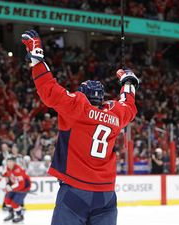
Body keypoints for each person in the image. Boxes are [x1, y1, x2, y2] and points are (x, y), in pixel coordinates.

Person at [21, 29, 138, 225]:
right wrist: (128, 80)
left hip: (76, 191)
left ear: (82, 94)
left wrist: (37, 57)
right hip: (106, 195)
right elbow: (129, 104)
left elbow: (48, 89)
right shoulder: (115, 114)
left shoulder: (77, 106)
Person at [2, 156, 31, 223]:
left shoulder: (18, 170)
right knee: (7, 200)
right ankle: (11, 214)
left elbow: (21, 185)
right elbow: (7, 176)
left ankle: (20, 215)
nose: (9, 163)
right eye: (8, 161)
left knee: (14, 203)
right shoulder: (8, 168)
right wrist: (7, 185)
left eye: (10, 161)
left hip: (23, 188)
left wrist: (10, 188)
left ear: (14, 162)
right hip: (14, 186)